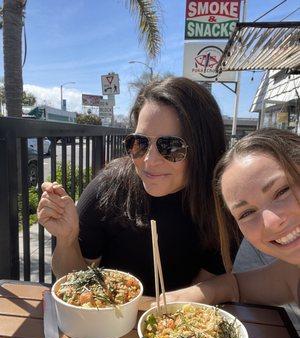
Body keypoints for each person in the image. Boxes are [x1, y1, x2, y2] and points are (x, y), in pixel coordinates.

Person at [37, 77, 232, 296]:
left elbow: (209, 287)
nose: (149, 161)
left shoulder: (224, 204)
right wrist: (67, 240)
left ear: (204, 149)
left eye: (170, 146)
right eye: (140, 143)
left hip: (182, 323)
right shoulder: (108, 189)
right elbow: (71, 281)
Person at [164, 128, 300, 306]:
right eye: (247, 213)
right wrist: (199, 294)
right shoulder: (292, 273)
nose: (271, 222)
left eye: (282, 191)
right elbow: (234, 286)